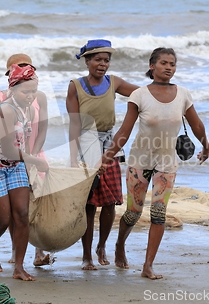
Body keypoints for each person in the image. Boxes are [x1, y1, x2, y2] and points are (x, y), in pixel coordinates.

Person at [98, 47, 209, 279]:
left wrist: (205, 144)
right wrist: (108, 155)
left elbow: (196, 124)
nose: (169, 67)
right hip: (140, 160)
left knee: (159, 212)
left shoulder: (183, 94)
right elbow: (125, 131)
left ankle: (148, 265)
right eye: (164, 63)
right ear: (152, 66)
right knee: (133, 213)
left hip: (167, 162)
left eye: (172, 64)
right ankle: (120, 245)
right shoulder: (139, 95)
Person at [66, 39, 138, 270]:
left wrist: (165, 89)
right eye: (97, 59)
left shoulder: (114, 82)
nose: (103, 64)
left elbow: (142, 94)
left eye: (106, 60)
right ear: (87, 61)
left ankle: (102, 245)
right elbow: (75, 125)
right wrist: (73, 158)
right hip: (86, 143)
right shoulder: (75, 86)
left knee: (111, 201)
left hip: (111, 144)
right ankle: (86, 256)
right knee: (89, 204)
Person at [0, 63, 48, 281]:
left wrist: (29, 160)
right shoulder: (7, 109)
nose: (30, 96)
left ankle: (18, 267)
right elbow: (8, 149)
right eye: (25, 91)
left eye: (33, 91)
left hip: (15, 165)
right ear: (13, 89)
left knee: (22, 215)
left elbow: (21, 143)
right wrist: (35, 160)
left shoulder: (26, 107)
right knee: (3, 219)